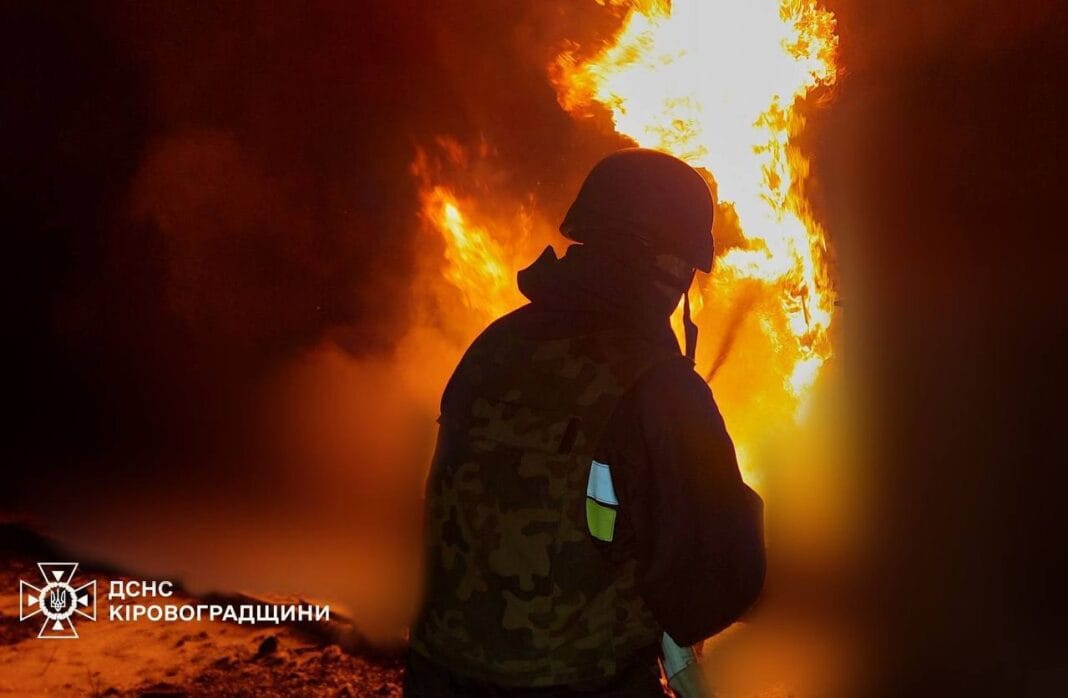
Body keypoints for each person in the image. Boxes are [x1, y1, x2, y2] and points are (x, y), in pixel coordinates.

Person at [406, 149, 766, 697]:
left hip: (438, 676)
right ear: (670, 268)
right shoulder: (658, 385)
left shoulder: (493, 346)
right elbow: (711, 582)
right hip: (577, 684)